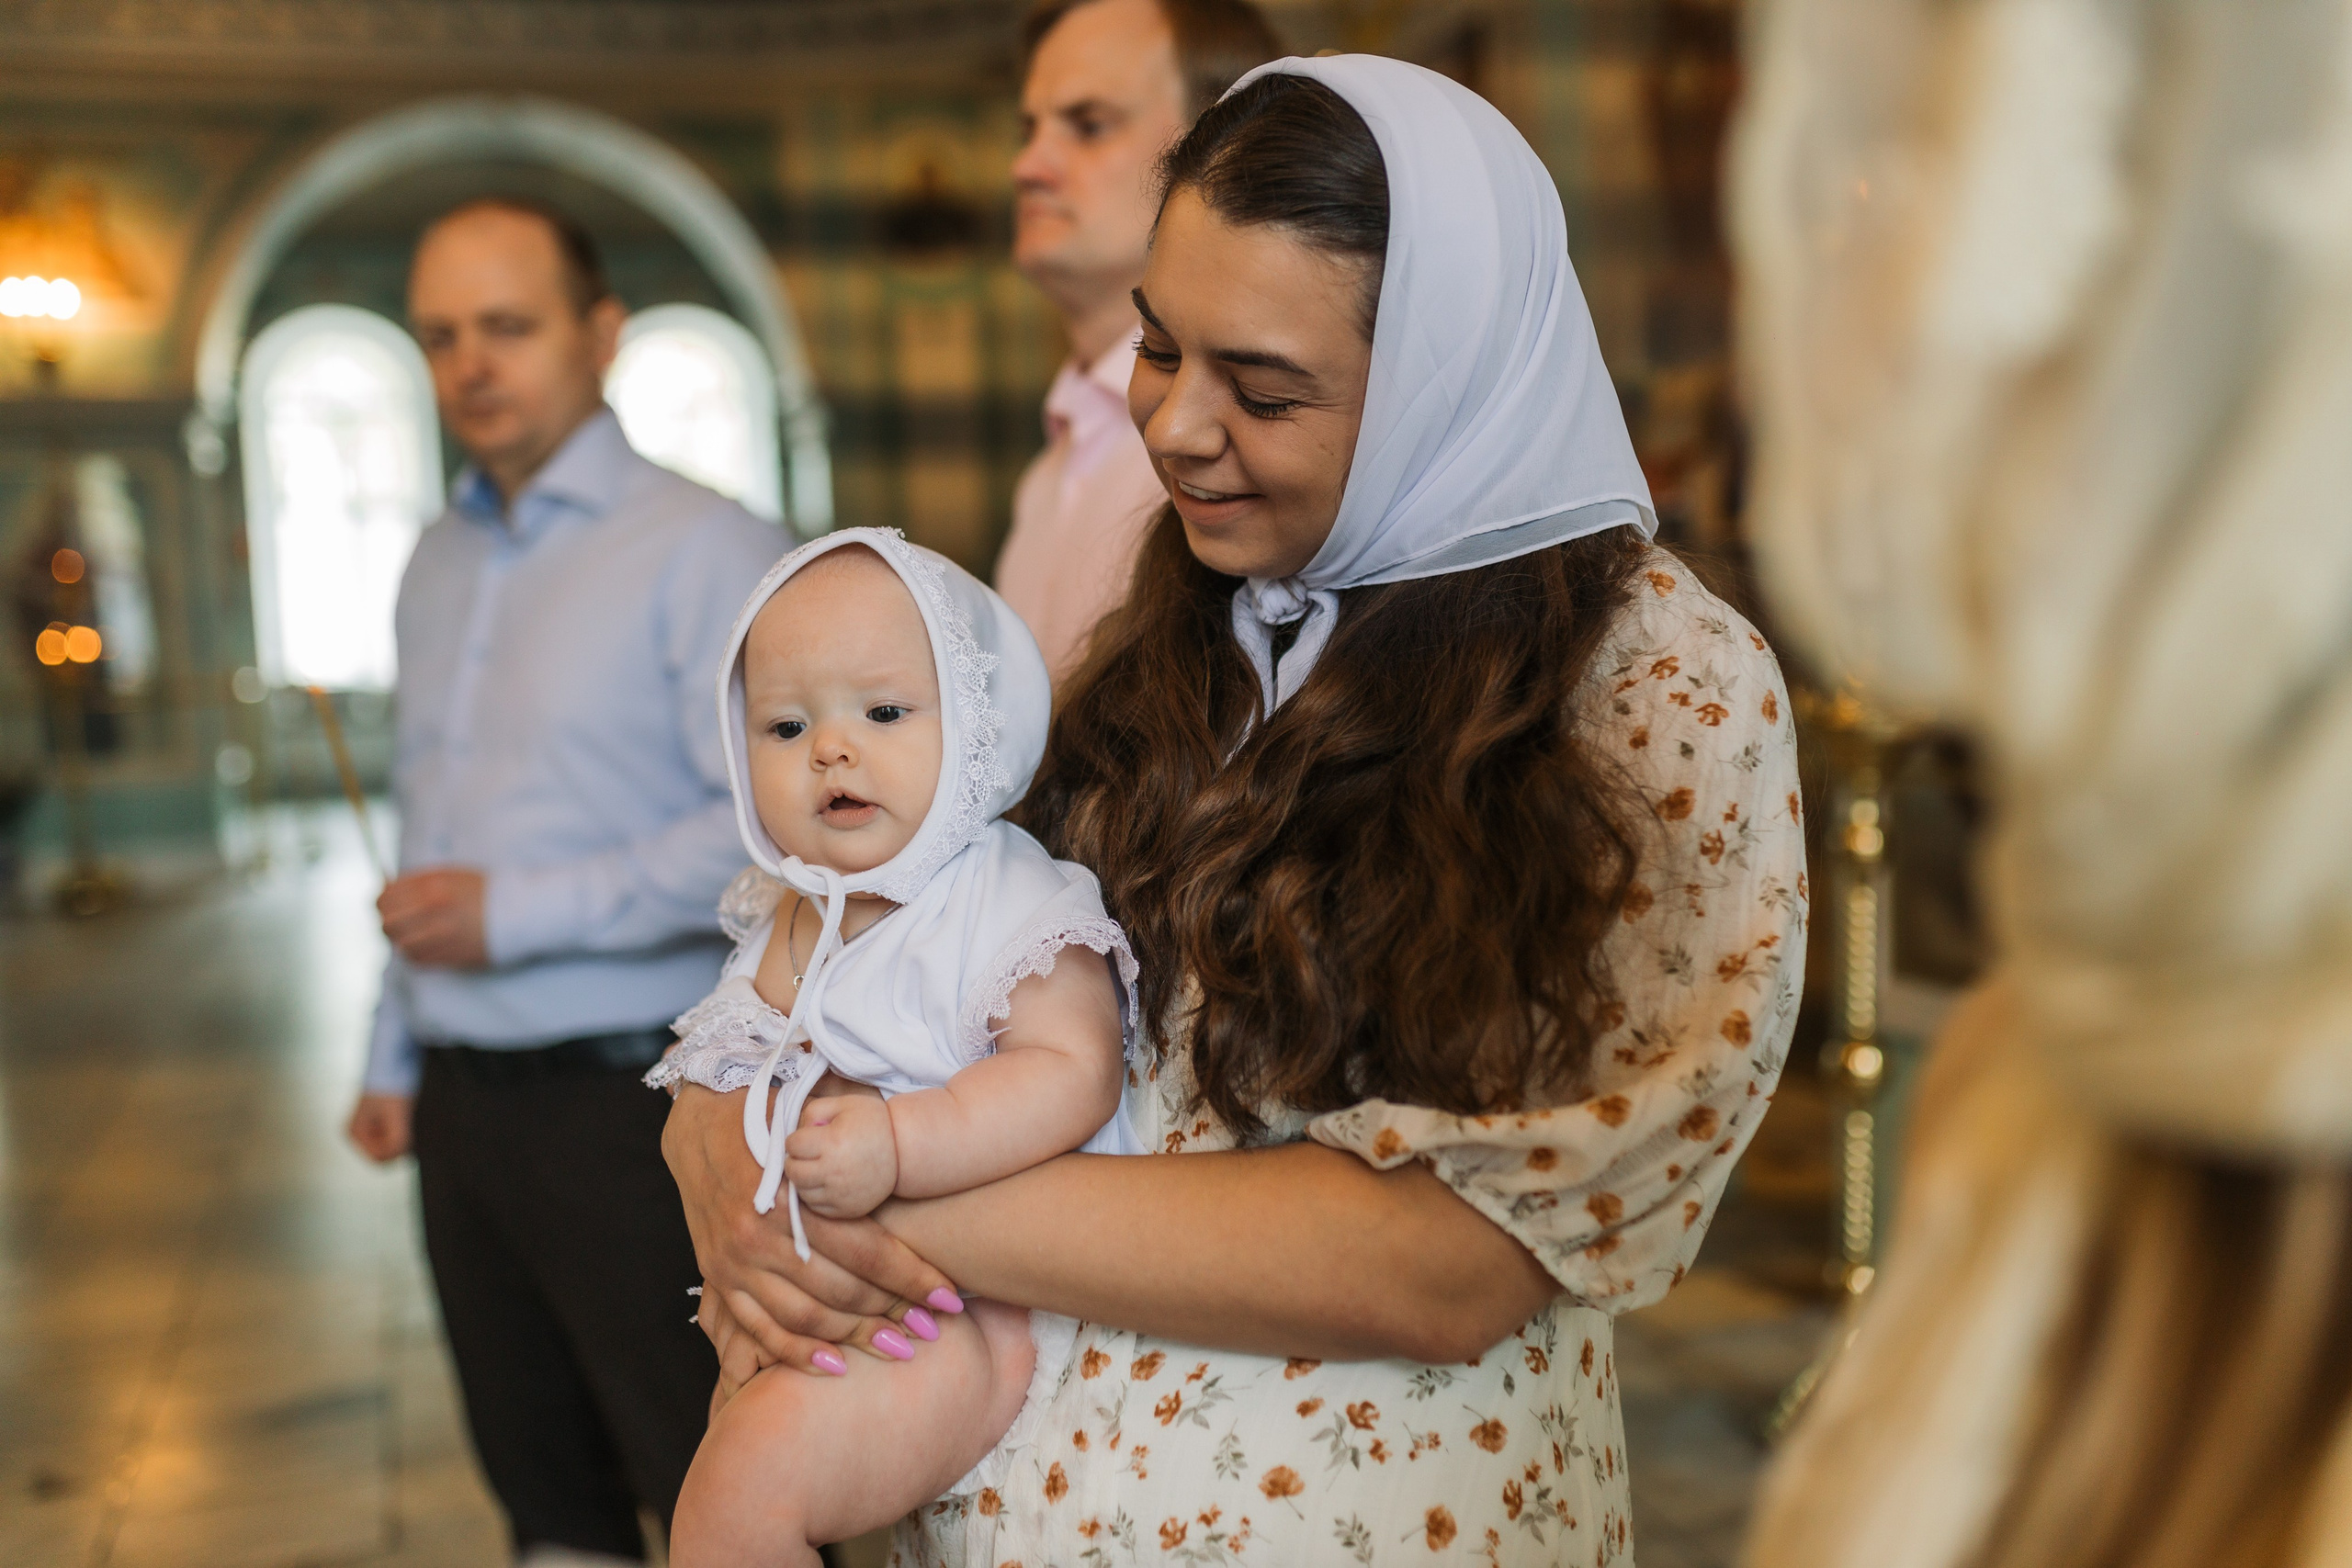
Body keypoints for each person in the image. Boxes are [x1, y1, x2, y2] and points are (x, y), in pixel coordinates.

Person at [667, 58, 1805, 1562]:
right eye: (1157, 348)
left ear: (1445, 388)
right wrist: (714, 1127)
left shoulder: (1655, 679)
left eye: (1263, 390)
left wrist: (847, 1193)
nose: (1177, 429)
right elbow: (915, 907)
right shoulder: (1188, 618)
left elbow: (1453, 1256)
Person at [342, 196, 784, 1564]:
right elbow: (433, 818)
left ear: (601, 334)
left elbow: (765, 833)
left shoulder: (710, 547)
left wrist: (514, 915)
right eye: (440, 336)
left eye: (508, 326)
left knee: (711, 1480)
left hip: (634, 1098)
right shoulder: (435, 556)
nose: (471, 364)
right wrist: (393, 1046)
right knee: (542, 1492)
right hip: (463, 1104)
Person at [643, 528, 1144, 1564]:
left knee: (735, 1507)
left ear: (975, 720)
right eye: (786, 726)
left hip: (968, 1315)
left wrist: (902, 1142)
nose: (830, 749)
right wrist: (717, 1118)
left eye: (882, 713)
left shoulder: (1001, 893)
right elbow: (726, 1047)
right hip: (835, 1293)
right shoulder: (791, 910)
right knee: (724, 1482)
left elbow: (1074, 1070)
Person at [994, 0, 1281, 681]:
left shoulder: (1237, 454)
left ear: (1221, 145)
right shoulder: (1047, 472)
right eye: (1029, 130)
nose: (1027, 166)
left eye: (1088, 125)